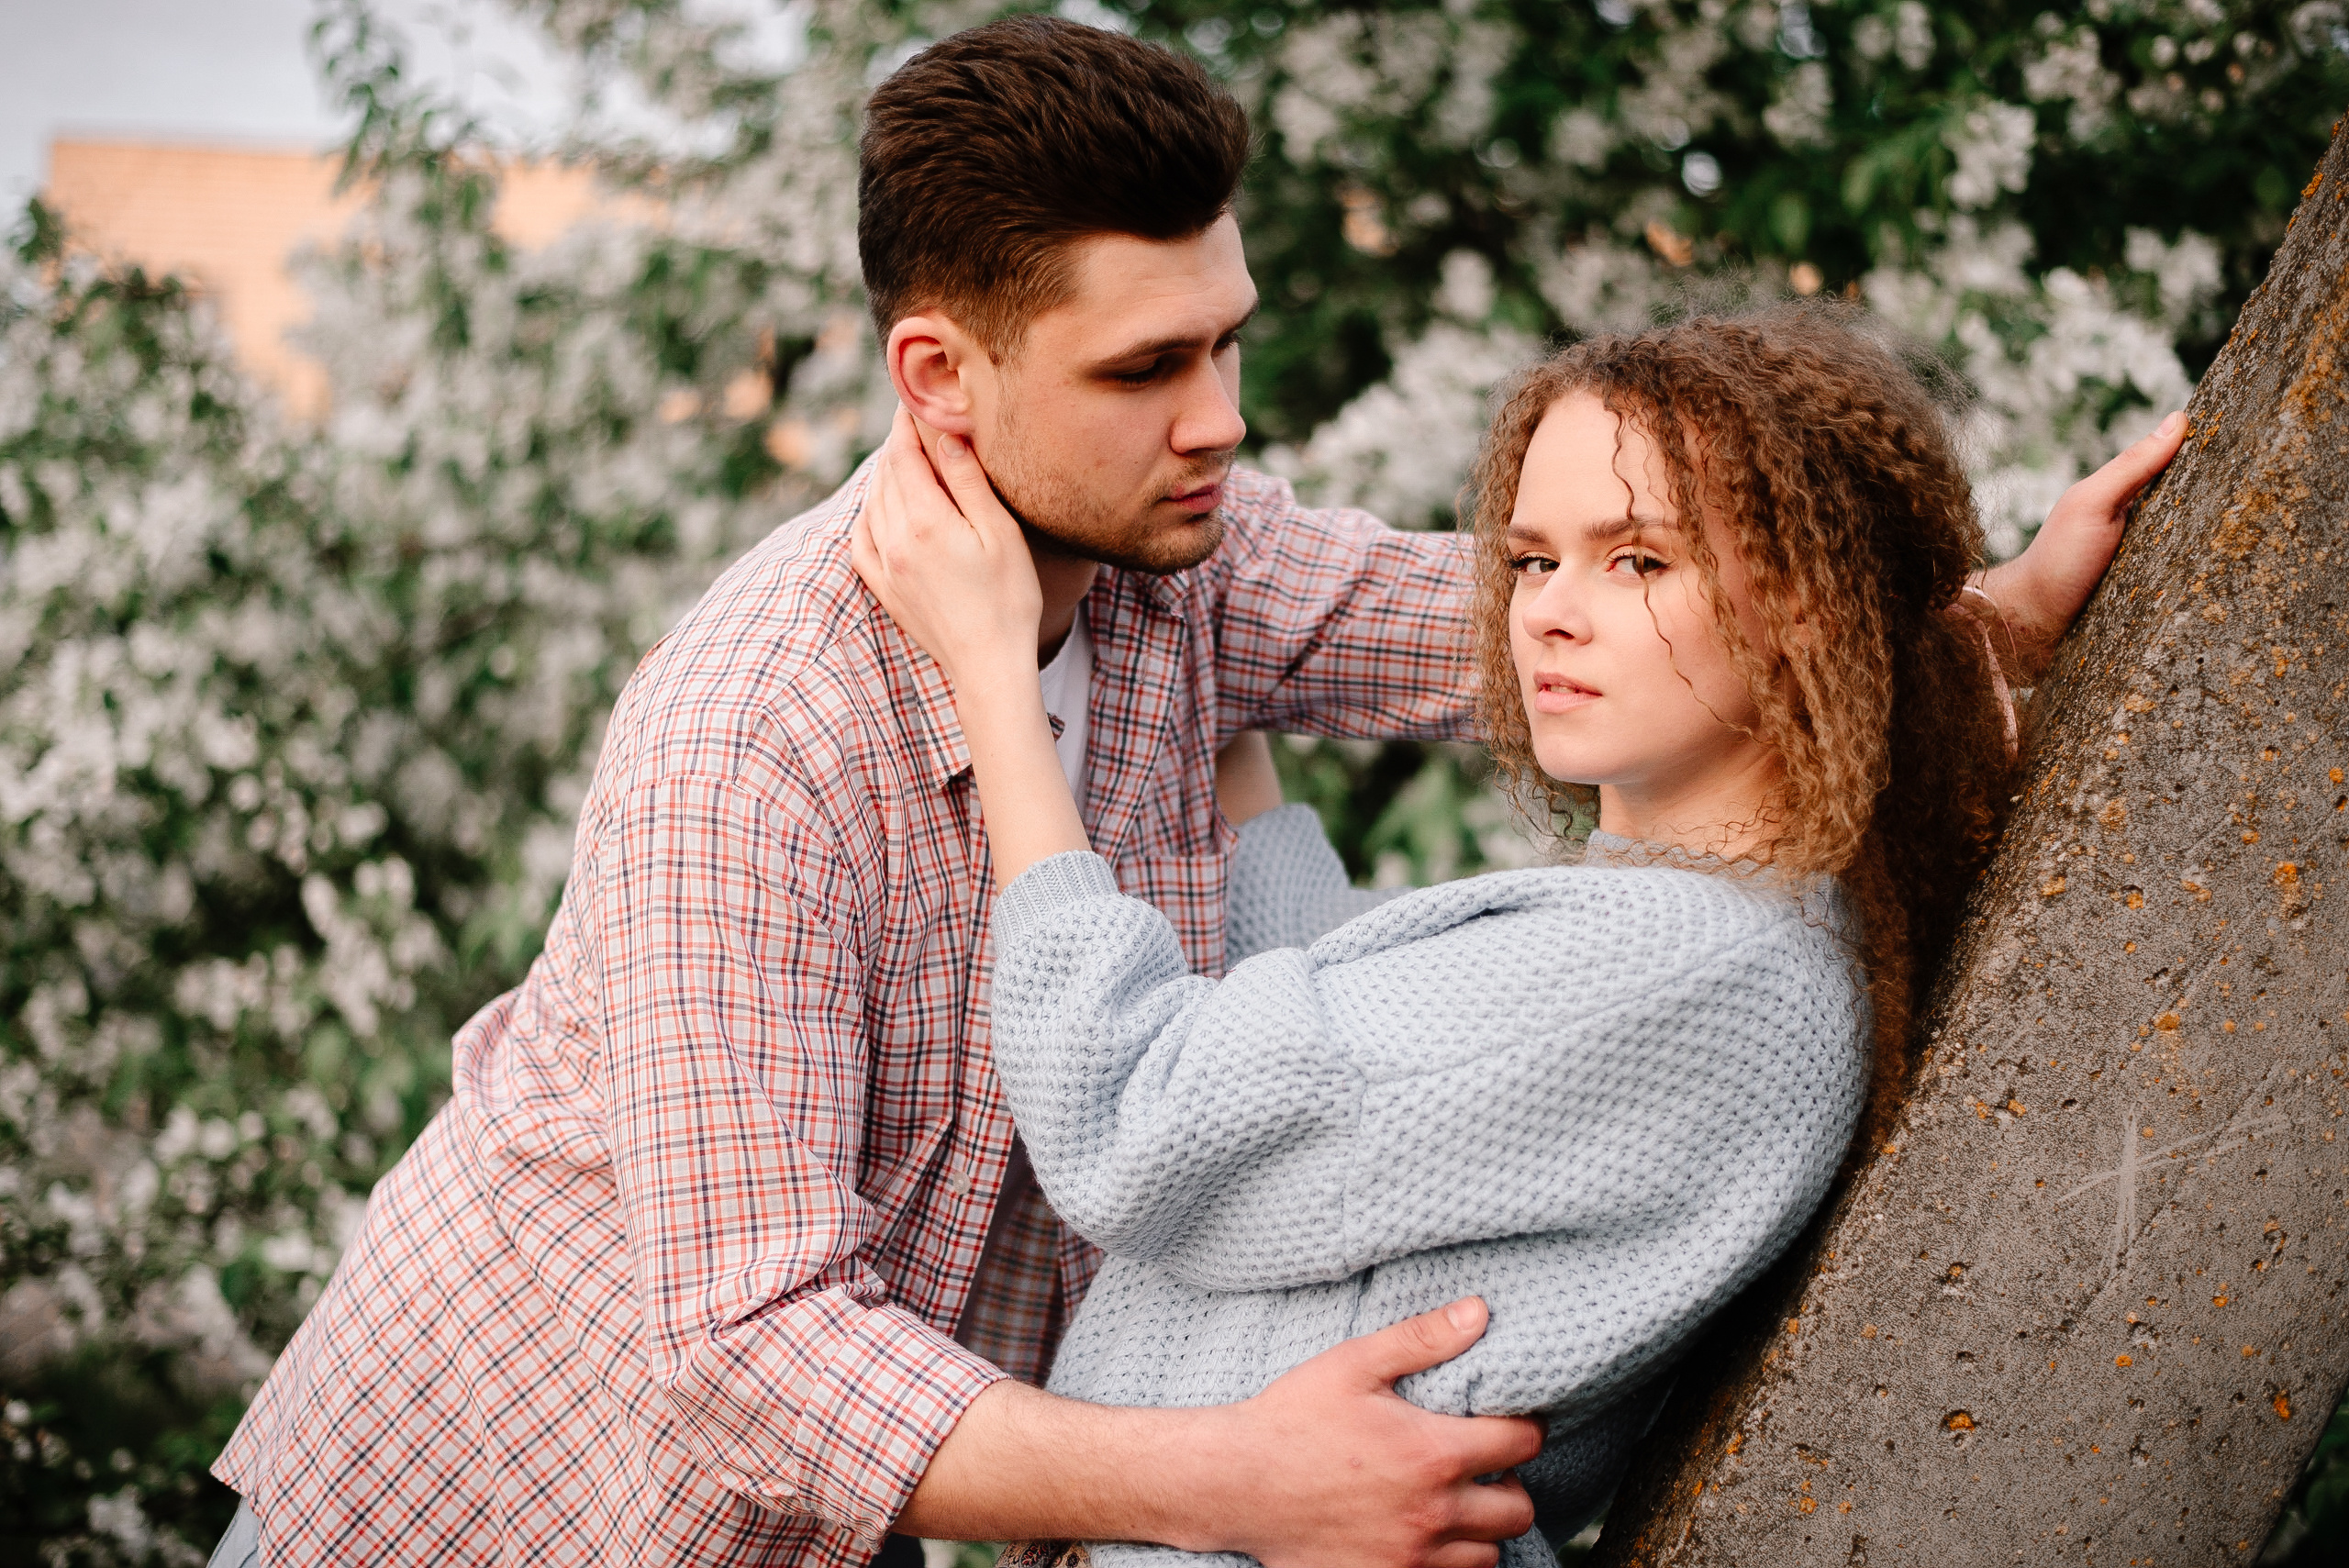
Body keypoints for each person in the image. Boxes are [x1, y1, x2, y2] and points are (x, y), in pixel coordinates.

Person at [206, 17, 2183, 1568]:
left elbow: (1574, 633)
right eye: (1149, 368)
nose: (1220, 422)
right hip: (509, 1514)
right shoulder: (754, 737)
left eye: (1226, 342)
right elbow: (742, 1359)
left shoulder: (1192, 559)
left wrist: (1970, 622)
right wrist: (1230, 1483)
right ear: (939, 379)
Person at [853, 310, 2193, 1567]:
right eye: (1534, 559)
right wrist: (1215, 688)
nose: (1549, 607)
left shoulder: (1688, 968)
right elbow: (1332, 1022)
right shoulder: (1717, 924)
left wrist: (990, 675)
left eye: (1639, 559)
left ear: (1809, 606)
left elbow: (1136, 1117)